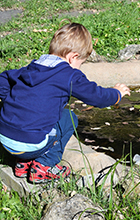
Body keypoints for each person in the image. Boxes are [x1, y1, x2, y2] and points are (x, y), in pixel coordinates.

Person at [0, 22, 130, 184]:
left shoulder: (31, 68)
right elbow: (96, 97)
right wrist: (116, 93)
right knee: (69, 118)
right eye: (80, 63)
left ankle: (23, 164)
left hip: (5, 140)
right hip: (30, 144)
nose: (79, 68)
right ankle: (44, 166)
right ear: (73, 57)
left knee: (40, 121)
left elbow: (2, 79)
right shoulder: (68, 75)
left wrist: (10, 100)